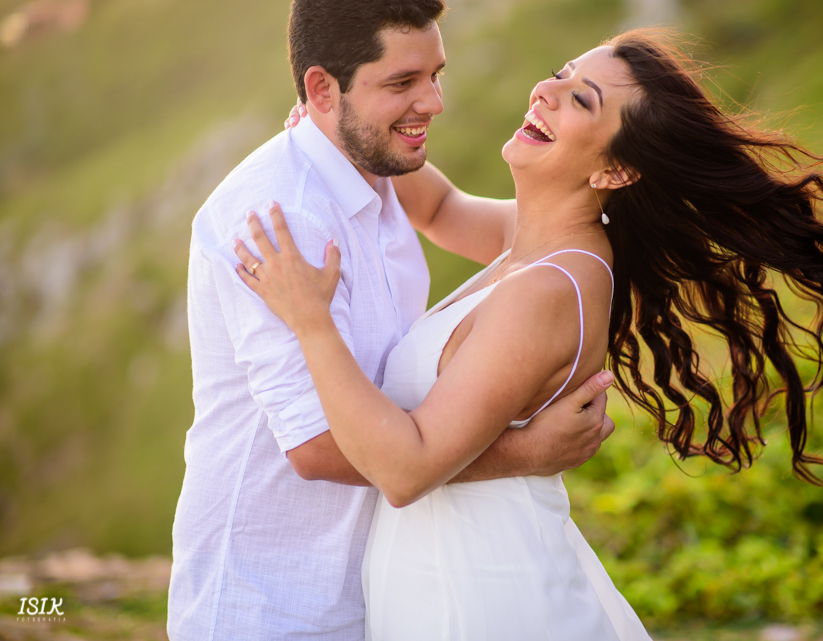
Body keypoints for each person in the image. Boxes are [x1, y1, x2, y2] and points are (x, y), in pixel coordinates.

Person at [236, 27, 823, 641]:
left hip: (476, 596)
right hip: (451, 574)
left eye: (580, 99)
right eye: (561, 75)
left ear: (615, 168)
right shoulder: (545, 241)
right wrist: (339, 115)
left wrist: (310, 322)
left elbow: (405, 468)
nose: (545, 92)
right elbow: (439, 206)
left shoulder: (553, 289)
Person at [167, 2, 618, 639]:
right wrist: (525, 453)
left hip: (391, 587)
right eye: (402, 83)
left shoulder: (381, 168)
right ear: (322, 89)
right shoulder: (283, 226)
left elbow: (446, 206)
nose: (433, 103)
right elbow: (318, 447)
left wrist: (343, 131)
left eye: (435, 74)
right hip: (278, 602)